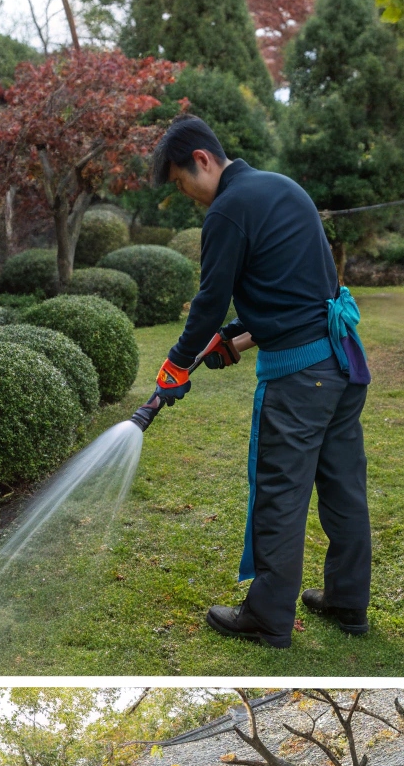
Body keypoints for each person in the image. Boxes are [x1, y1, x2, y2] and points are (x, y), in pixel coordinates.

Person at [149, 116, 371, 650]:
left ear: (201, 159)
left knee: (280, 493)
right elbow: (297, 290)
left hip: (300, 379)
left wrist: (179, 363)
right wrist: (237, 340)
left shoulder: (228, 209)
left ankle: (268, 617)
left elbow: (208, 302)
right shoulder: (281, 187)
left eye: (182, 183)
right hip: (341, 364)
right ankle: (347, 601)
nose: (189, 196)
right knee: (343, 488)